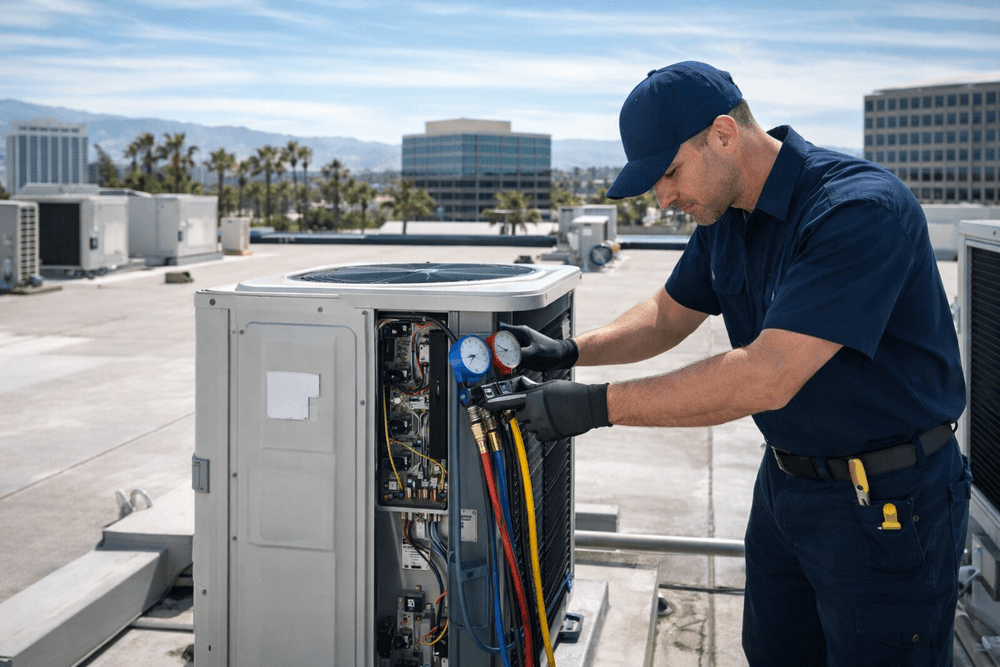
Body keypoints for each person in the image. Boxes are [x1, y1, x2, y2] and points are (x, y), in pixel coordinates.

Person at [502, 61, 971, 666]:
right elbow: (669, 315)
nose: (664, 197)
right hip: (785, 488)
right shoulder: (725, 215)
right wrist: (571, 351)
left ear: (724, 134)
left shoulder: (856, 209)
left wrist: (594, 407)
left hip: (886, 503)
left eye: (669, 173)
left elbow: (765, 375)